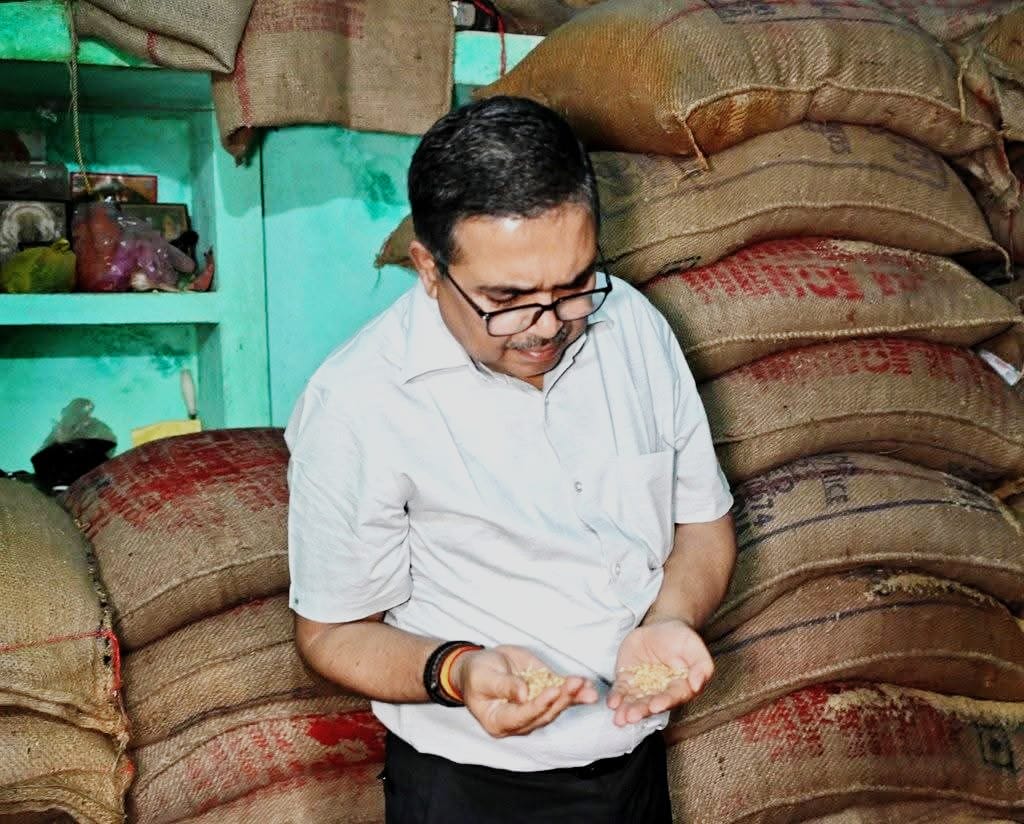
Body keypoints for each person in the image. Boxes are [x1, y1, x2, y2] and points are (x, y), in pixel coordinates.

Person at [285, 95, 736, 823]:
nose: (547, 326)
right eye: (508, 298)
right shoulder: (358, 402)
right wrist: (456, 671)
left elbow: (703, 525)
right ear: (429, 269)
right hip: (471, 789)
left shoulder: (633, 328)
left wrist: (672, 617)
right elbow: (331, 634)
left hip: (634, 764)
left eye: (574, 284)